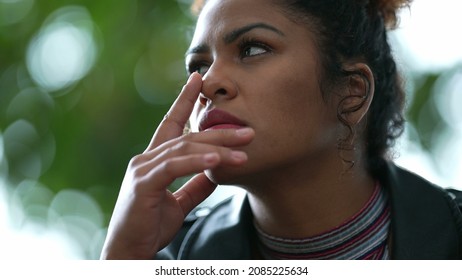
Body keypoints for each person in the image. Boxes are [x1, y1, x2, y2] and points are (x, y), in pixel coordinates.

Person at [100, 0, 462, 260]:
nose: (209, 84)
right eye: (198, 66)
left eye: (252, 49)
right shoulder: (168, 259)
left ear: (352, 93)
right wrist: (123, 256)